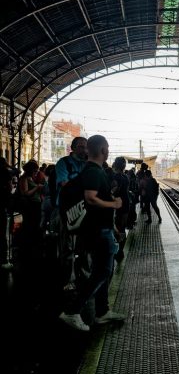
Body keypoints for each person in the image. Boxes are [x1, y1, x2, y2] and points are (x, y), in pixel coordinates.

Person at [59, 135, 125, 332]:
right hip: (97, 231)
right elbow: (91, 198)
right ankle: (72, 311)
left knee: (103, 271)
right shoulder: (94, 171)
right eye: (107, 148)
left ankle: (102, 311)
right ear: (103, 150)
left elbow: (96, 201)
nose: (108, 151)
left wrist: (114, 228)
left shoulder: (94, 171)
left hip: (101, 229)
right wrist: (114, 204)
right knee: (102, 271)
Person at [53, 137, 88, 289]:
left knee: (85, 245)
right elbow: (64, 183)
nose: (84, 150)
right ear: (72, 148)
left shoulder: (87, 164)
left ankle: (84, 275)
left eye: (86, 147)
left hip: (84, 209)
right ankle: (68, 279)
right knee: (67, 246)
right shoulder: (64, 163)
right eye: (80, 147)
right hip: (66, 210)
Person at [110, 156, 130, 261]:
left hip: (117, 204)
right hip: (126, 203)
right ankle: (120, 251)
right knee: (122, 228)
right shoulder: (125, 176)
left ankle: (118, 251)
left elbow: (114, 191)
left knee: (116, 228)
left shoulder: (115, 177)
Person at [0, 157, 13, 269]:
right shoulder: (5, 172)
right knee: (2, 232)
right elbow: (9, 186)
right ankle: (4, 260)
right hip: (2, 204)